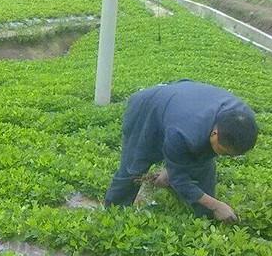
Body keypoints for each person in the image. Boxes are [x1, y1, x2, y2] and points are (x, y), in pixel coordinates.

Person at [104, 80, 257, 222]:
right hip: (148, 108)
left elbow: (199, 158)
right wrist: (216, 205)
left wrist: (170, 169)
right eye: (223, 151)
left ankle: (205, 219)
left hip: (183, 106)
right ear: (214, 133)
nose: (223, 156)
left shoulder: (244, 119)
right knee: (134, 166)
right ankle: (114, 213)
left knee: (202, 165)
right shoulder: (183, 133)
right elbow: (179, 178)